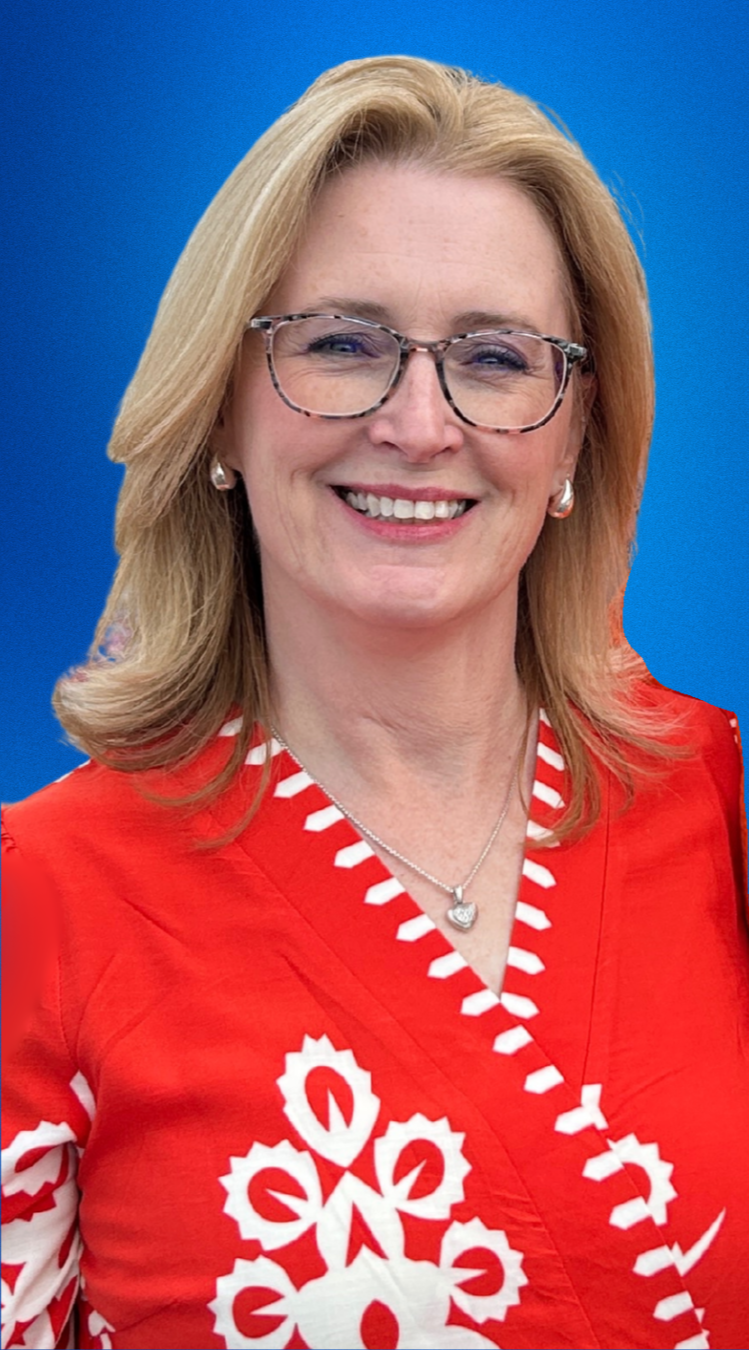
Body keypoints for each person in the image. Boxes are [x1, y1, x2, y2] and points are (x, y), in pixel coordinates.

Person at [2, 55, 747, 1350]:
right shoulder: (39, 899)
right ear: (222, 414)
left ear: (576, 435)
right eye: (342, 344)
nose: (417, 421)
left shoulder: (724, 800)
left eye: (496, 357)